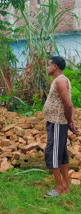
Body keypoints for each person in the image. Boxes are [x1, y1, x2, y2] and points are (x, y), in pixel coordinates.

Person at [43, 56, 79, 197]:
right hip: (56, 122)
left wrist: (70, 121)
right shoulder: (58, 81)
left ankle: (59, 189)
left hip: (58, 123)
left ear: (55, 67)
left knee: (53, 154)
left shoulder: (61, 81)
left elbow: (68, 104)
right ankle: (65, 186)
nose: (47, 67)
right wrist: (70, 121)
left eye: (49, 65)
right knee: (62, 154)